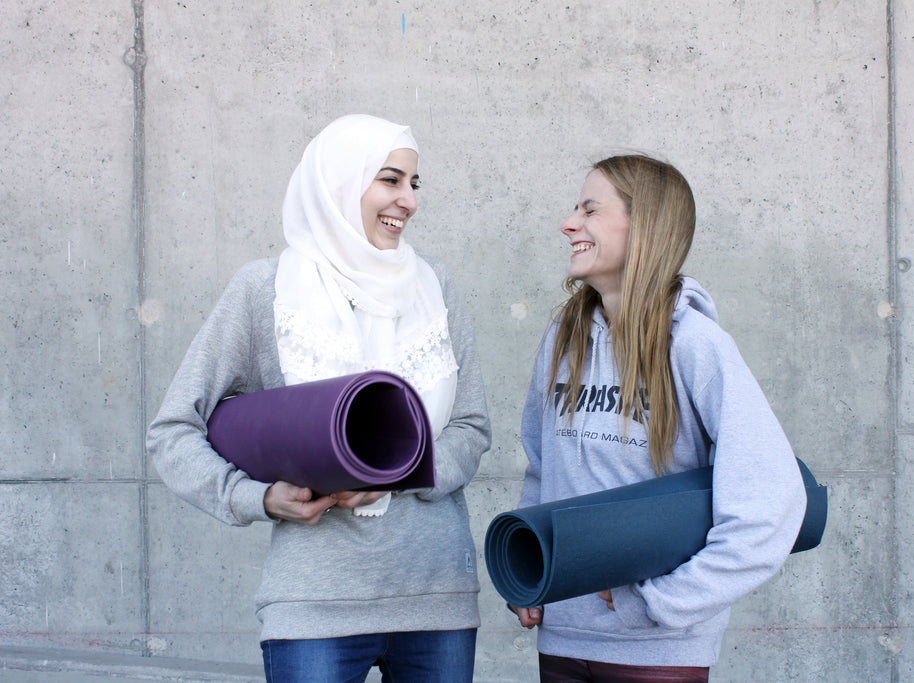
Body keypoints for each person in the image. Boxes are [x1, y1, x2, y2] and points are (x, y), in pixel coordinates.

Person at [147, 114, 490, 683]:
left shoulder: (437, 287)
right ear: (337, 182)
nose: (408, 200)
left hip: (436, 597)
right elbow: (172, 430)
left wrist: (404, 473)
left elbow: (472, 427)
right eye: (390, 179)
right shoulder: (265, 290)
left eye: (414, 184)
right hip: (312, 605)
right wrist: (254, 498)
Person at [509, 154, 807, 682]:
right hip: (563, 638)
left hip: (659, 652)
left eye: (590, 209)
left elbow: (771, 505)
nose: (568, 222)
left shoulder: (695, 345)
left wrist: (659, 604)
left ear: (643, 225)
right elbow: (543, 469)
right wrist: (532, 568)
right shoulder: (563, 339)